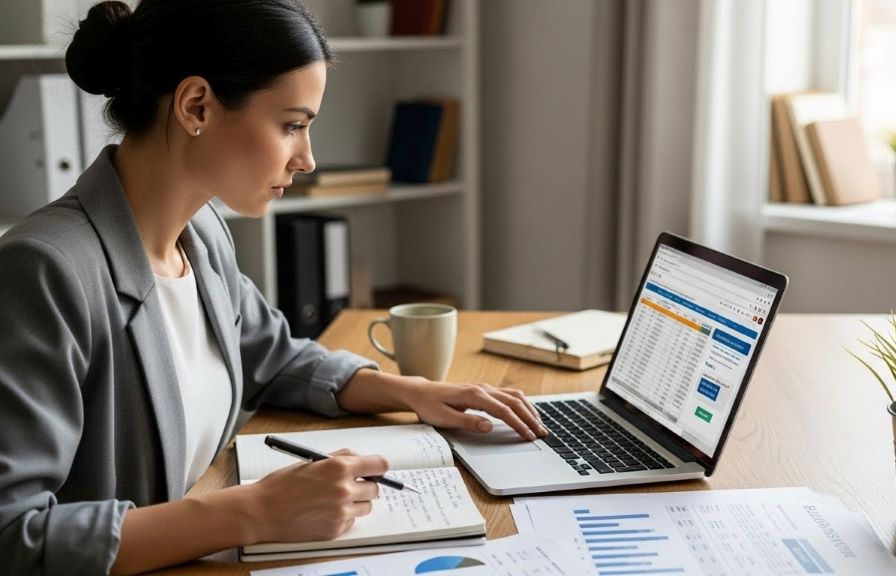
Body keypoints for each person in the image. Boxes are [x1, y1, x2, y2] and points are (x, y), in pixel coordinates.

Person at [0, 1, 546, 574]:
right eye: (292, 126)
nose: (307, 159)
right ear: (196, 106)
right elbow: (14, 535)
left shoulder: (202, 233)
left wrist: (413, 393)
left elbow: (273, 357)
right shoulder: (45, 272)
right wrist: (254, 511)